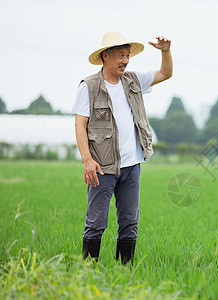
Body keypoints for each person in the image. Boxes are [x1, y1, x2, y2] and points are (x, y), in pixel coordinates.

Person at [72, 31, 172, 265]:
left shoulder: (133, 80)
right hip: (101, 167)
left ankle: (124, 273)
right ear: (105, 56)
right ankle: (87, 273)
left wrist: (165, 52)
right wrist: (87, 160)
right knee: (96, 222)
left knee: (129, 222)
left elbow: (166, 73)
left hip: (132, 166)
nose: (125, 60)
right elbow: (80, 125)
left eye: (127, 55)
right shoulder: (89, 86)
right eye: (120, 55)